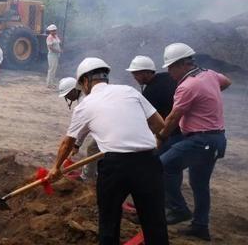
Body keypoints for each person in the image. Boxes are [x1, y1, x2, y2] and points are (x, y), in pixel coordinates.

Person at [49, 58, 169, 245]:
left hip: (116, 167)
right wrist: (137, 139)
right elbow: (159, 124)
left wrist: (55, 168)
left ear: (86, 81)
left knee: (109, 222)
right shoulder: (129, 91)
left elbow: (67, 143)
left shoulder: (85, 105)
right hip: (149, 162)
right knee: (155, 223)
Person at [156, 43, 230, 241]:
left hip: (201, 140)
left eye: (171, 67)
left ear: (183, 64)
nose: (169, 71)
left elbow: (172, 118)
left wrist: (161, 138)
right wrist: (207, 97)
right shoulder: (210, 75)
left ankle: (178, 209)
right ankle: (200, 226)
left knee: (161, 166)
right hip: (216, 139)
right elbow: (227, 82)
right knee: (199, 184)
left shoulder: (188, 85)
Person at [126, 55, 180, 153]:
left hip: (170, 134)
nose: (134, 77)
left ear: (146, 73)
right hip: (185, 129)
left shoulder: (149, 92)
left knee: (162, 162)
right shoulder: (168, 76)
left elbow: (149, 122)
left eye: (136, 73)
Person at [57, 76, 99, 181]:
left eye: (67, 95)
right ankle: (96, 171)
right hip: (104, 123)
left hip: (108, 126)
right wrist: (77, 144)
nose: (67, 98)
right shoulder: (84, 96)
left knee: (92, 148)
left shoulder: (83, 101)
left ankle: (87, 177)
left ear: (74, 90)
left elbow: (83, 128)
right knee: (99, 149)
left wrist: (76, 144)